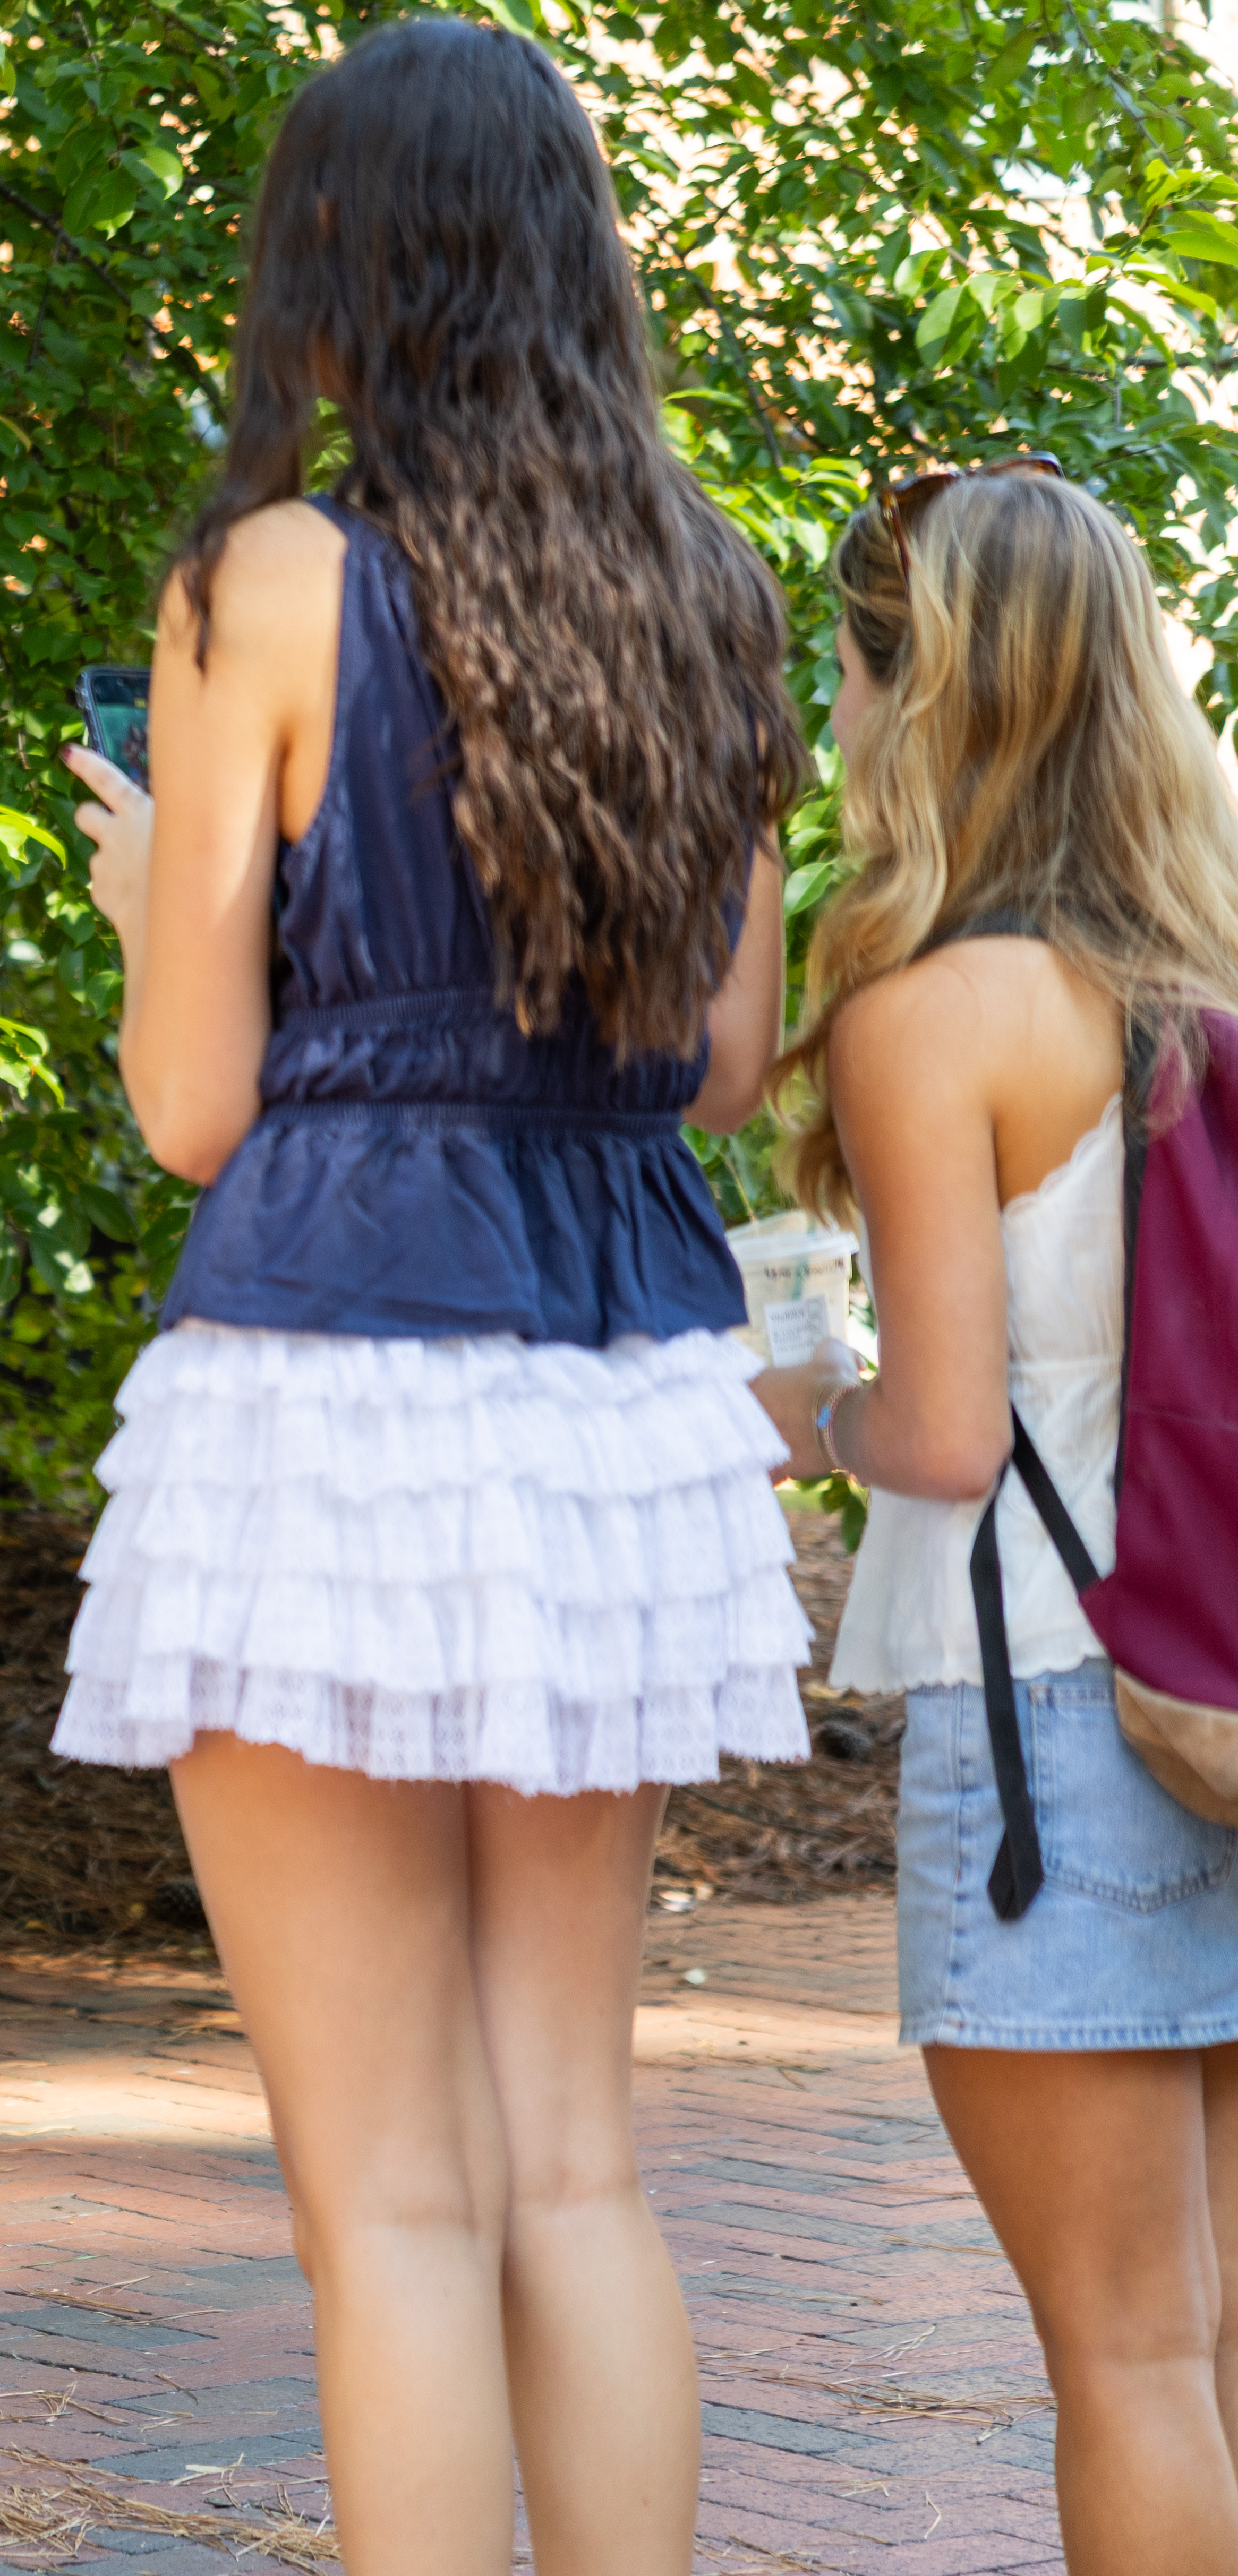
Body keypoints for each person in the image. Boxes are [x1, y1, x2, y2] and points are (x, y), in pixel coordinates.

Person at [54, 21, 809, 2571]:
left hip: (338, 1365)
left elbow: (189, 1102)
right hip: (617, 1381)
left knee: (381, 2199)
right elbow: (721, 1068)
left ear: (335, 268)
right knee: (574, 2164)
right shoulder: (702, 589)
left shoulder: (264, 581)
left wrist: (159, 880)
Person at [750, 466, 1238, 2573]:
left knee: (1126, 2360)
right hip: (1224, 1679)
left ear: (911, 687)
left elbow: (943, 1434)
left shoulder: (928, 1011)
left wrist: (804, 1404)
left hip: (1051, 1705)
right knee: (1205, 2341)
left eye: (846, 668)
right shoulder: (1211, 975)